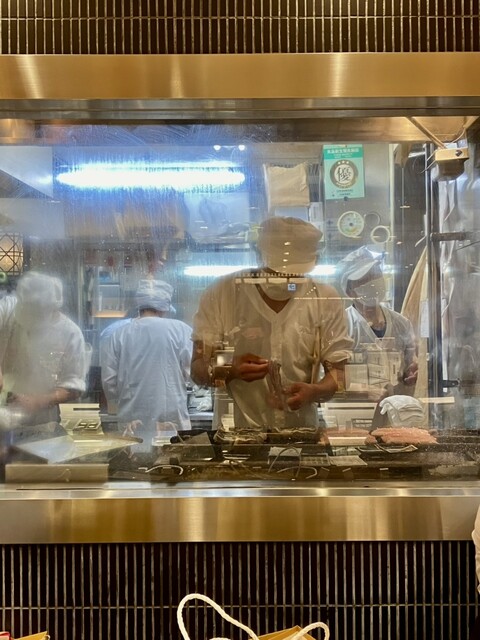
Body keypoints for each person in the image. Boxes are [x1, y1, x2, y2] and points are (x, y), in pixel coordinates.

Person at [190, 216, 353, 439]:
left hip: (301, 437)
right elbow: (198, 369)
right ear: (259, 255)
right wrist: (229, 367)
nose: (285, 277)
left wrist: (313, 391)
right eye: (276, 269)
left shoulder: (323, 298)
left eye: (294, 272)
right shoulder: (222, 293)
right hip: (235, 437)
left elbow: (339, 374)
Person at [100, 279, 192, 449]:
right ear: (165, 306)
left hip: (132, 418)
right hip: (172, 416)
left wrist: (122, 398)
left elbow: (109, 381)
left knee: (134, 458)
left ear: (139, 304)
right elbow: (190, 372)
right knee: (172, 458)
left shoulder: (119, 334)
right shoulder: (181, 330)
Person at [0, 271, 87, 425]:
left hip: (41, 423)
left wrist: (37, 401)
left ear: (52, 308)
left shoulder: (71, 334)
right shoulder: (8, 308)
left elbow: (74, 387)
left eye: (34, 312)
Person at [338, 245, 418, 399]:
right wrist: (364, 390)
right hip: (353, 410)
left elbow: (409, 364)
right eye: (364, 280)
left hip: (395, 409)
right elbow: (330, 378)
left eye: (376, 276)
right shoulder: (341, 325)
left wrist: (411, 373)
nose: (373, 283)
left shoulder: (401, 323)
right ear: (349, 291)